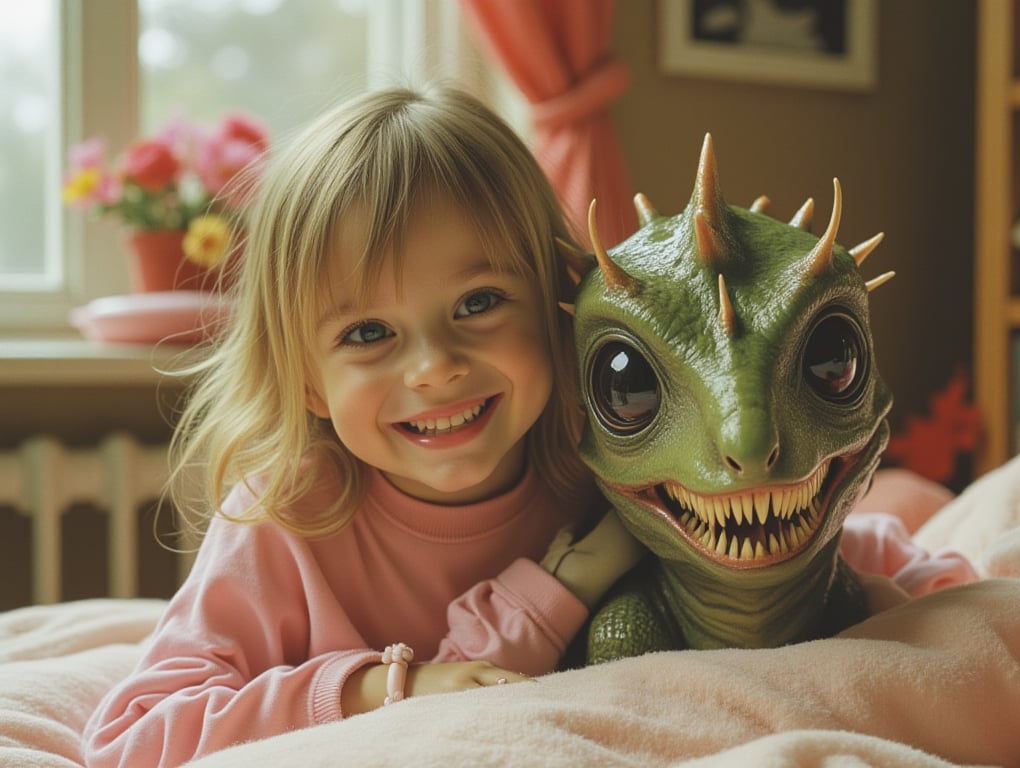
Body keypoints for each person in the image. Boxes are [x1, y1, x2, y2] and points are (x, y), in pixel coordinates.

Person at [82, 84, 643, 767]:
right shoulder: (286, 515)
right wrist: (378, 688)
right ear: (309, 379)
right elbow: (130, 740)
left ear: (556, 303)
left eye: (479, 302)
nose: (435, 368)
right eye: (369, 331)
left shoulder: (608, 474)